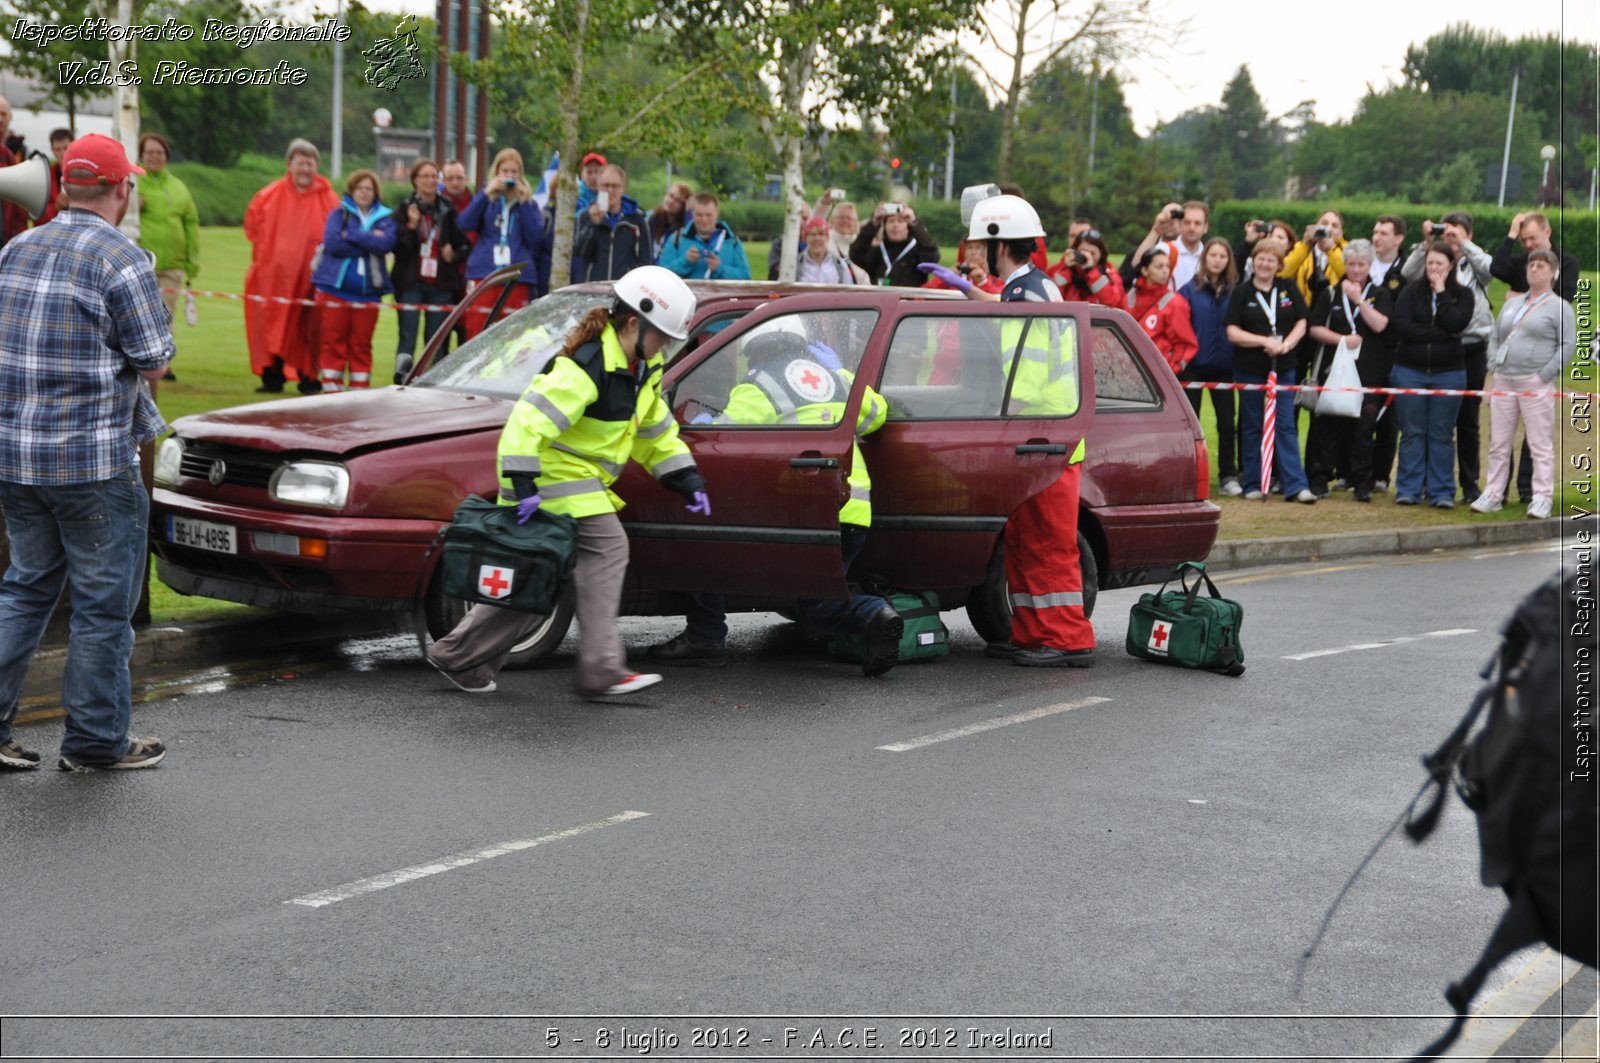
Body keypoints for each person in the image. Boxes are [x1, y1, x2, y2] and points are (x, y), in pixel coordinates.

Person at [425, 265, 711, 698]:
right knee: (609, 547)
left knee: (539, 580)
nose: (666, 348)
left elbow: (654, 432)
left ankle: (459, 657)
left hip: (573, 483)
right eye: (663, 338)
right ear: (634, 323)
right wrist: (522, 485)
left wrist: (684, 476)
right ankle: (600, 668)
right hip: (552, 479)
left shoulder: (640, 371)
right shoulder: (586, 366)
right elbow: (527, 423)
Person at [0, 134, 174, 772]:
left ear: (65, 185)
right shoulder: (122, 257)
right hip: (95, 464)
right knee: (102, 609)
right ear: (122, 188)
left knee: (24, 589)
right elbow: (155, 357)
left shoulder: (17, 247)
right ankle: (97, 742)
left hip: (17, 460)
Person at [646, 326, 903, 676]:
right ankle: (871, 615)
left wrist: (706, 423)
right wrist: (844, 372)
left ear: (756, 351)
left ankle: (871, 613)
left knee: (708, 548)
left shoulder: (761, 386)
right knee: (812, 598)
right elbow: (876, 417)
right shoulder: (838, 378)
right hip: (854, 511)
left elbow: (723, 438)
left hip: (806, 511)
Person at [918, 195, 1095, 667]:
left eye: (983, 243)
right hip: (1045, 435)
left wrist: (1003, 414)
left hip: (1043, 435)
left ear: (999, 245)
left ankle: (1067, 640)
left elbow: (1029, 370)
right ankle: (1034, 634)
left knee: (1048, 543)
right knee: (1025, 539)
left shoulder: (1027, 295)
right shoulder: (1033, 288)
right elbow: (1007, 304)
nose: (980, 250)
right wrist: (971, 293)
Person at [1471, 249, 1576, 520]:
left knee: (1540, 443)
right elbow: (1495, 337)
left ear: (1553, 273)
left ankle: (1542, 497)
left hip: (1534, 381)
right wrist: (1494, 364)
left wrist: (1545, 375)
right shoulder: (1512, 305)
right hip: (1506, 379)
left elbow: (1567, 345)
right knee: (1499, 442)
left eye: (1541, 265)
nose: (1534, 269)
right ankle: (1494, 493)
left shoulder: (1559, 307)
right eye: (1532, 265)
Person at [1490, 211, 1582, 504]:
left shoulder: (1567, 263)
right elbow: (1497, 267)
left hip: (1542, 358)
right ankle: (1497, 492)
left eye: (1533, 237)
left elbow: (1564, 296)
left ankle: (1531, 491)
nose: (1528, 245)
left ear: (1548, 232)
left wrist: (1519, 296)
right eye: (1525, 239)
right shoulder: (1521, 262)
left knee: (1536, 434)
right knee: (1501, 437)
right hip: (1511, 364)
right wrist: (1511, 234)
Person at [1402, 212, 1493, 502]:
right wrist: (1426, 243)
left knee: (1466, 422)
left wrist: (1464, 244)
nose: (1450, 237)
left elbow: (1491, 270)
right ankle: (1422, 484)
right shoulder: (1429, 264)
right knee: (1421, 426)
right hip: (1434, 352)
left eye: (1457, 232)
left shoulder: (1473, 264)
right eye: (1446, 232)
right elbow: (1408, 274)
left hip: (1471, 347)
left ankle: (1468, 484)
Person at [244, 138, 341, 393]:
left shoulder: (329, 199)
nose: (305, 170)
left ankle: (309, 376)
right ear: (289, 164)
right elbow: (252, 229)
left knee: (308, 326)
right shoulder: (268, 196)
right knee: (269, 323)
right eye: (300, 163)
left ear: (317, 167)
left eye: (310, 164)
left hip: (311, 278)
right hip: (273, 277)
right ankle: (272, 375)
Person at [1224, 237, 1316, 504]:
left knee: (1285, 424)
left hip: (1284, 367)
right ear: (1254, 261)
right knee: (1252, 425)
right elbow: (1232, 331)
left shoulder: (1287, 287)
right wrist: (1264, 342)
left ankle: (1296, 486)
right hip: (1250, 368)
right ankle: (1252, 483)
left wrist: (1286, 344)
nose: (1265, 264)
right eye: (1261, 258)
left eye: (1271, 260)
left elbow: (1302, 321)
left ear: (1279, 264)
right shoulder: (1242, 292)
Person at [1304, 239, 1392, 502]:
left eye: (1361, 264)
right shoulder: (1330, 294)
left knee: (1363, 428)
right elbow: (1314, 327)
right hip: (1334, 369)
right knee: (1326, 424)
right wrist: (1341, 339)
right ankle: (1319, 477)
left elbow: (1380, 325)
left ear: (1369, 265)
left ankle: (1361, 480)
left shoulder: (1380, 293)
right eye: (1351, 264)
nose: (1355, 270)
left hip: (1368, 371)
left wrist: (1359, 301)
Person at [1391, 242, 1473, 508]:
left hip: (1448, 373)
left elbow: (1457, 323)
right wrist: (1441, 335)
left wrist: (1442, 294)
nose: (1434, 269)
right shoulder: (1409, 292)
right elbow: (1403, 327)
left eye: (1439, 264)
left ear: (1450, 266)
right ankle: (1408, 489)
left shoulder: (1463, 295)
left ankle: (1441, 491)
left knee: (1441, 433)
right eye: (1430, 264)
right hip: (1410, 371)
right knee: (1412, 432)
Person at [310, 170, 396, 392]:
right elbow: (333, 243)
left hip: (369, 294)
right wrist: (368, 240)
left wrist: (353, 235)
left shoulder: (386, 218)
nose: (364, 193)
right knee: (332, 340)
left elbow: (385, 245)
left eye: (369, 189)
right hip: (334, 290)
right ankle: (331, 388)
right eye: (360, 188)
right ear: (352, 190)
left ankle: (359, 389)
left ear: (376, 192)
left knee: (361, 344)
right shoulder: (338, 214)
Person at [391, 159, 470, 383]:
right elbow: (397, 247)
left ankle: (434, 382)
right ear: (415, 180)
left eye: (434, 176)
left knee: (436, 339)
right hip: (411, 283)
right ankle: (402, 378)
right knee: (408, 335)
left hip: (441, 285)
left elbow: (464, 244)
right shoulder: (405, 208)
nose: (430, 181)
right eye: (425, 176)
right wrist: (411, 227)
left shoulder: (447, 209)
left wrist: (452, 255)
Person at [458, 148, 548, 339]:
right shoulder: (487, 198)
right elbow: (464, 224)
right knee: (477, 332)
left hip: (517, 276)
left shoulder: (528, 202)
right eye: (505, 171)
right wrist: (485, 194)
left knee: (515, 334)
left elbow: (536, 237)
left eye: (514, 172)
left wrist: (524, 202)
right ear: (496, 172)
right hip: (484, 274)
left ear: (521, 175)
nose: (509, 176)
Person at [135, 132, 200, 383]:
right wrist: (133, 206)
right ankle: (141, 360)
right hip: (141, 263)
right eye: (149, 152)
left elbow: (191, 223)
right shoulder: (133, 182)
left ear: (167, 157)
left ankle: (163, 362)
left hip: (172, 265)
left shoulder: (178, 187)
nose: (154, 157)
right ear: (141, 155)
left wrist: (191, 260)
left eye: (159, 152)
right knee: (140, 314)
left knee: (165, 314)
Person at [1178, 238, 1241, 495]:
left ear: (1228, 261)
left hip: (1224, 366)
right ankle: (1191, 474)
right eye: (1213, 255)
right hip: (1193, 366)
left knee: (1227, 423)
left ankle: (1228, 475)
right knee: (1191, 425)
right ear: (1205, 259)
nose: (1217, 260)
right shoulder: (1188, 290)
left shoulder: (1236, 291)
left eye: (1222, 256)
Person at [1365, 215, 1409, 492]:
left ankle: (1381, 474)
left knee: (1388, 416)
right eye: (1375, 231)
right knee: (1362, 411)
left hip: (1393, 350)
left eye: (1383, 232)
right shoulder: (1363, 265)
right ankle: (1355, 471)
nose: (1377, 237)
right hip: (1364, 349)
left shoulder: (1406, 270)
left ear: (1399, 238)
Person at [572, 163, 652, 282]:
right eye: (606, 185)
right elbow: (580, 252)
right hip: (593, 289)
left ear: (623, 187)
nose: (610, 190)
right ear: (598, 186)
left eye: (615, 186)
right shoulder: (585, 215)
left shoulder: (637, 219)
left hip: (624, 290)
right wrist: (592, 224)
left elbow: (645, 261)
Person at [1127, 247, 1198, 376]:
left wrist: (1169, 370)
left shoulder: (1175, 302)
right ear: (1145, 270)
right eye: (1159, 267)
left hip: (1159, 374)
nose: (1165, 271)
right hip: (1130, 371)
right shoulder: (1131, 296)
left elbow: (1185, 343)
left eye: (1167, 266)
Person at [657, 192, 752, 281]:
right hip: (685, 298)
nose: (704, 219)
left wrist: (720, 269)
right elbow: (661, 276)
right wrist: (685, 262)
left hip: (720, 298)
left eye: (708, 215)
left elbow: (745, 276)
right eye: (699, 215)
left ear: (717, 214)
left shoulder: (732, 242)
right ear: (692, 214)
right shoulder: (676, 239)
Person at [848, 202, 938, 287]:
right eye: (891, 221)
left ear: (908, 227)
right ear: (885, 226)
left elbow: (931, 256)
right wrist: (874, 222)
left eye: (900, 221)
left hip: (909, 301)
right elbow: (856, 254)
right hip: (881, 301)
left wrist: (914, 222)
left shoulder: (917, 252)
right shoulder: (878, 252)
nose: (895, 225)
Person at [1280, 210, 1346, 307]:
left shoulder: (1346, 251)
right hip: (1304, 311)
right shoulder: (1302, 249)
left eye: (1334, 226)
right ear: (1315, 227)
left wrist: (1331, 250)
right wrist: (1305, 246)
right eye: (1324, 223)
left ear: (1341, 233)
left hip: (1334, 311)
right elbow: (1282, 273)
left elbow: (1348, 277)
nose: (1328, 228)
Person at [1050, 227, 1124, 309]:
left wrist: (1091, 272)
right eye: (1083, 252)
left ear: (1101, 253)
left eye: (1092, 253)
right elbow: (1050, 297)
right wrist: (1066, 270)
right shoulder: (1068, 272)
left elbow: (1114, 303)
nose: (1088, 257)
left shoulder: (1110, 275)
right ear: (1075, 250)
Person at [778, 217, 867, 284]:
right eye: (812, 234)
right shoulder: (794, 265)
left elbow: (848, 293)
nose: (817, 238)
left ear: (827, 237)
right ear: (806, 238)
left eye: (821, 234)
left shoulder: (840, 265)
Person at [922, 237, 1003, 295]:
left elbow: (1002, 302)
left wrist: (983, 282)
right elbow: (922, 296)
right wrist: (943, 278)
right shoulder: (956, 274)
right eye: (969, 247)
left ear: (988, 252)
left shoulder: (996, 275)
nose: (973, 252)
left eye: (978, 248)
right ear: (963, 251)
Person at [0, 97, 28, 248]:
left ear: (10, 117)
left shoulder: (20, 148)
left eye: (3, 114)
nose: (0, 119)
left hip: (8, 228)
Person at [34, 128, 73, 226]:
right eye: (57, 149)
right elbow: (37, 214)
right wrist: (56, 208)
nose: (62, 153)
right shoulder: (46, 177)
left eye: (66, 148)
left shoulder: (84, 175)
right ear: (52, 150)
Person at [647, 180, 693, 261]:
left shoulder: (682, 228)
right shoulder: (652, 217)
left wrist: (688, 212)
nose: (671, 202)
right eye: (671, 196)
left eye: (678, 201)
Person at [440, 159, 476, 242]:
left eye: (459, 178)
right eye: (450, 179)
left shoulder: (476, 206)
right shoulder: (435, 205)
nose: (455, 183)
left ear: (466, 179)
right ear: (443, 181)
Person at [573, 151, 606, 216]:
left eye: (598, 172)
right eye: (589, 172)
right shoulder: (575, 195)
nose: (594, 177)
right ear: (582, 173)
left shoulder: (612, 195)